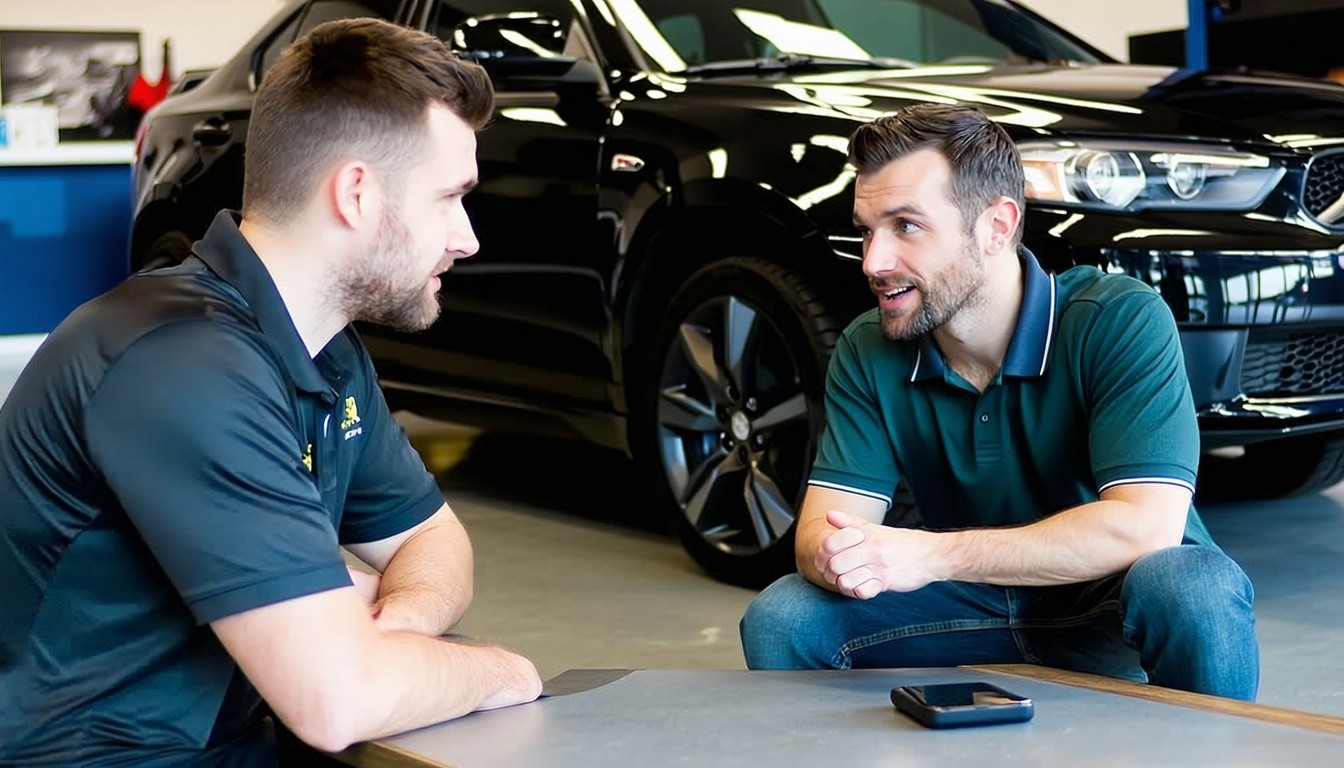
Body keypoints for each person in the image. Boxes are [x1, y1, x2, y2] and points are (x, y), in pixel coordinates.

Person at [0, 18, 542, 767]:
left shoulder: (325, 348)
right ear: (355, 192)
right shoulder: (180, 363)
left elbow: (430, 538)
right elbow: (335, 700)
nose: (467, 237)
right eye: (449, 198)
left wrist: (395, 623)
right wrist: (505, 671)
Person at [739, 103, 1260, 701]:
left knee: (1193, 585)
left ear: (996, 225)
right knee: (783, 617)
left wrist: (931, 555)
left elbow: (1144, 527)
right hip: (965, 610)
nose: (874, 262)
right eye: (866, 229)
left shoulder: (1115, 318)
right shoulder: (870, 346)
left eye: (906, 226)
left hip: (1105, 605)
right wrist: (840, 555)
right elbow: (818, 533)